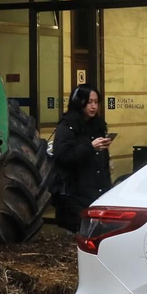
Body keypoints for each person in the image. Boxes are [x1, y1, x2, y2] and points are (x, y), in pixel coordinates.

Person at [51, 85, 113, 231]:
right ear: (79, 102)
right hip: (75, 192)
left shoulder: (98, 125)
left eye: (96, 102)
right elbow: (62, 156)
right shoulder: (68, 126)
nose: (93, 106)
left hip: (97, 190)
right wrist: (90, 148)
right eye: (89, 102)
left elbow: (101, 161)